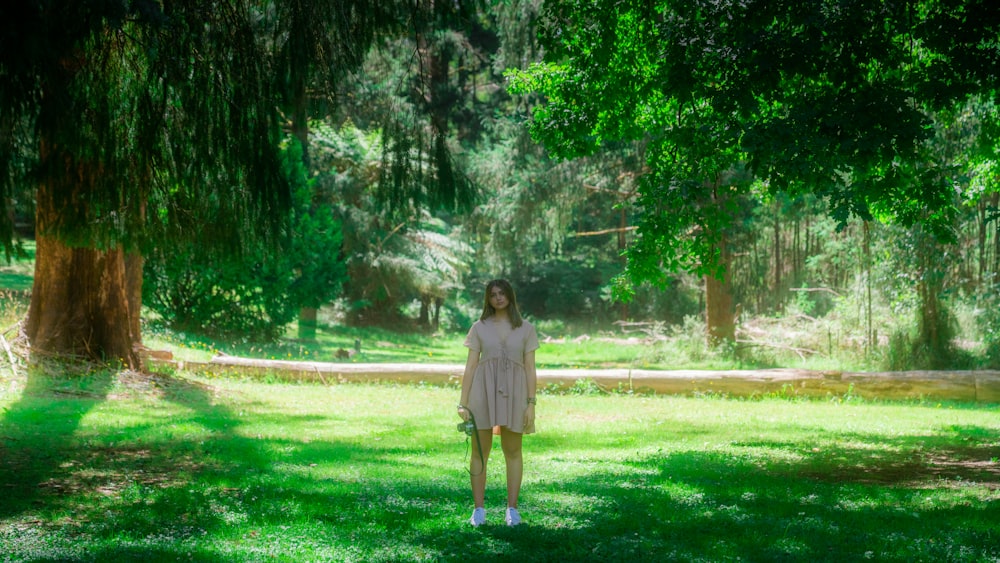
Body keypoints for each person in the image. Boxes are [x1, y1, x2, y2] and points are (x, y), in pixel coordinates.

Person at [458, 279, 539, 527]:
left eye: (502, 293)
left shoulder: (526, 329)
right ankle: (479, 510)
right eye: (493, 294)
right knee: (480, 452)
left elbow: (530, 368)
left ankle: (512, 510)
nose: (498, 298)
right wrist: (463, 403)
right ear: (488, 299)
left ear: (510, 296)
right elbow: (471, 366)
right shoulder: (479, 328)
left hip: (515, 394)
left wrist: (531, 403)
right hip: (483, 392)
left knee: (513, 451)